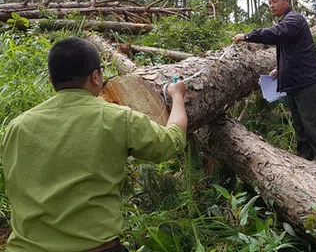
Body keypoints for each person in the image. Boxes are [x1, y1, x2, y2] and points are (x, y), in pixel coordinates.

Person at [0, 37, 188, 252]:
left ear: (52, 80)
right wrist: (178, 97)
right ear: (96, 76)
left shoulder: (16, 126)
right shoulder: (117, 118)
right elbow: (171, 143)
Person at [233, 0, 316, 170]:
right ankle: (306, 161)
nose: (271, 5)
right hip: (295, 83)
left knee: (312, 124)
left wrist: (249, 36)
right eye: (269, 2)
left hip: (306, 82)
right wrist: (280, 69)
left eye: (275, 1)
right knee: (299, 126)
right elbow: (293, 52)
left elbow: (276, 33)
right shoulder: (288, 21)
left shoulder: (294, 19)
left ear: (286, 1)